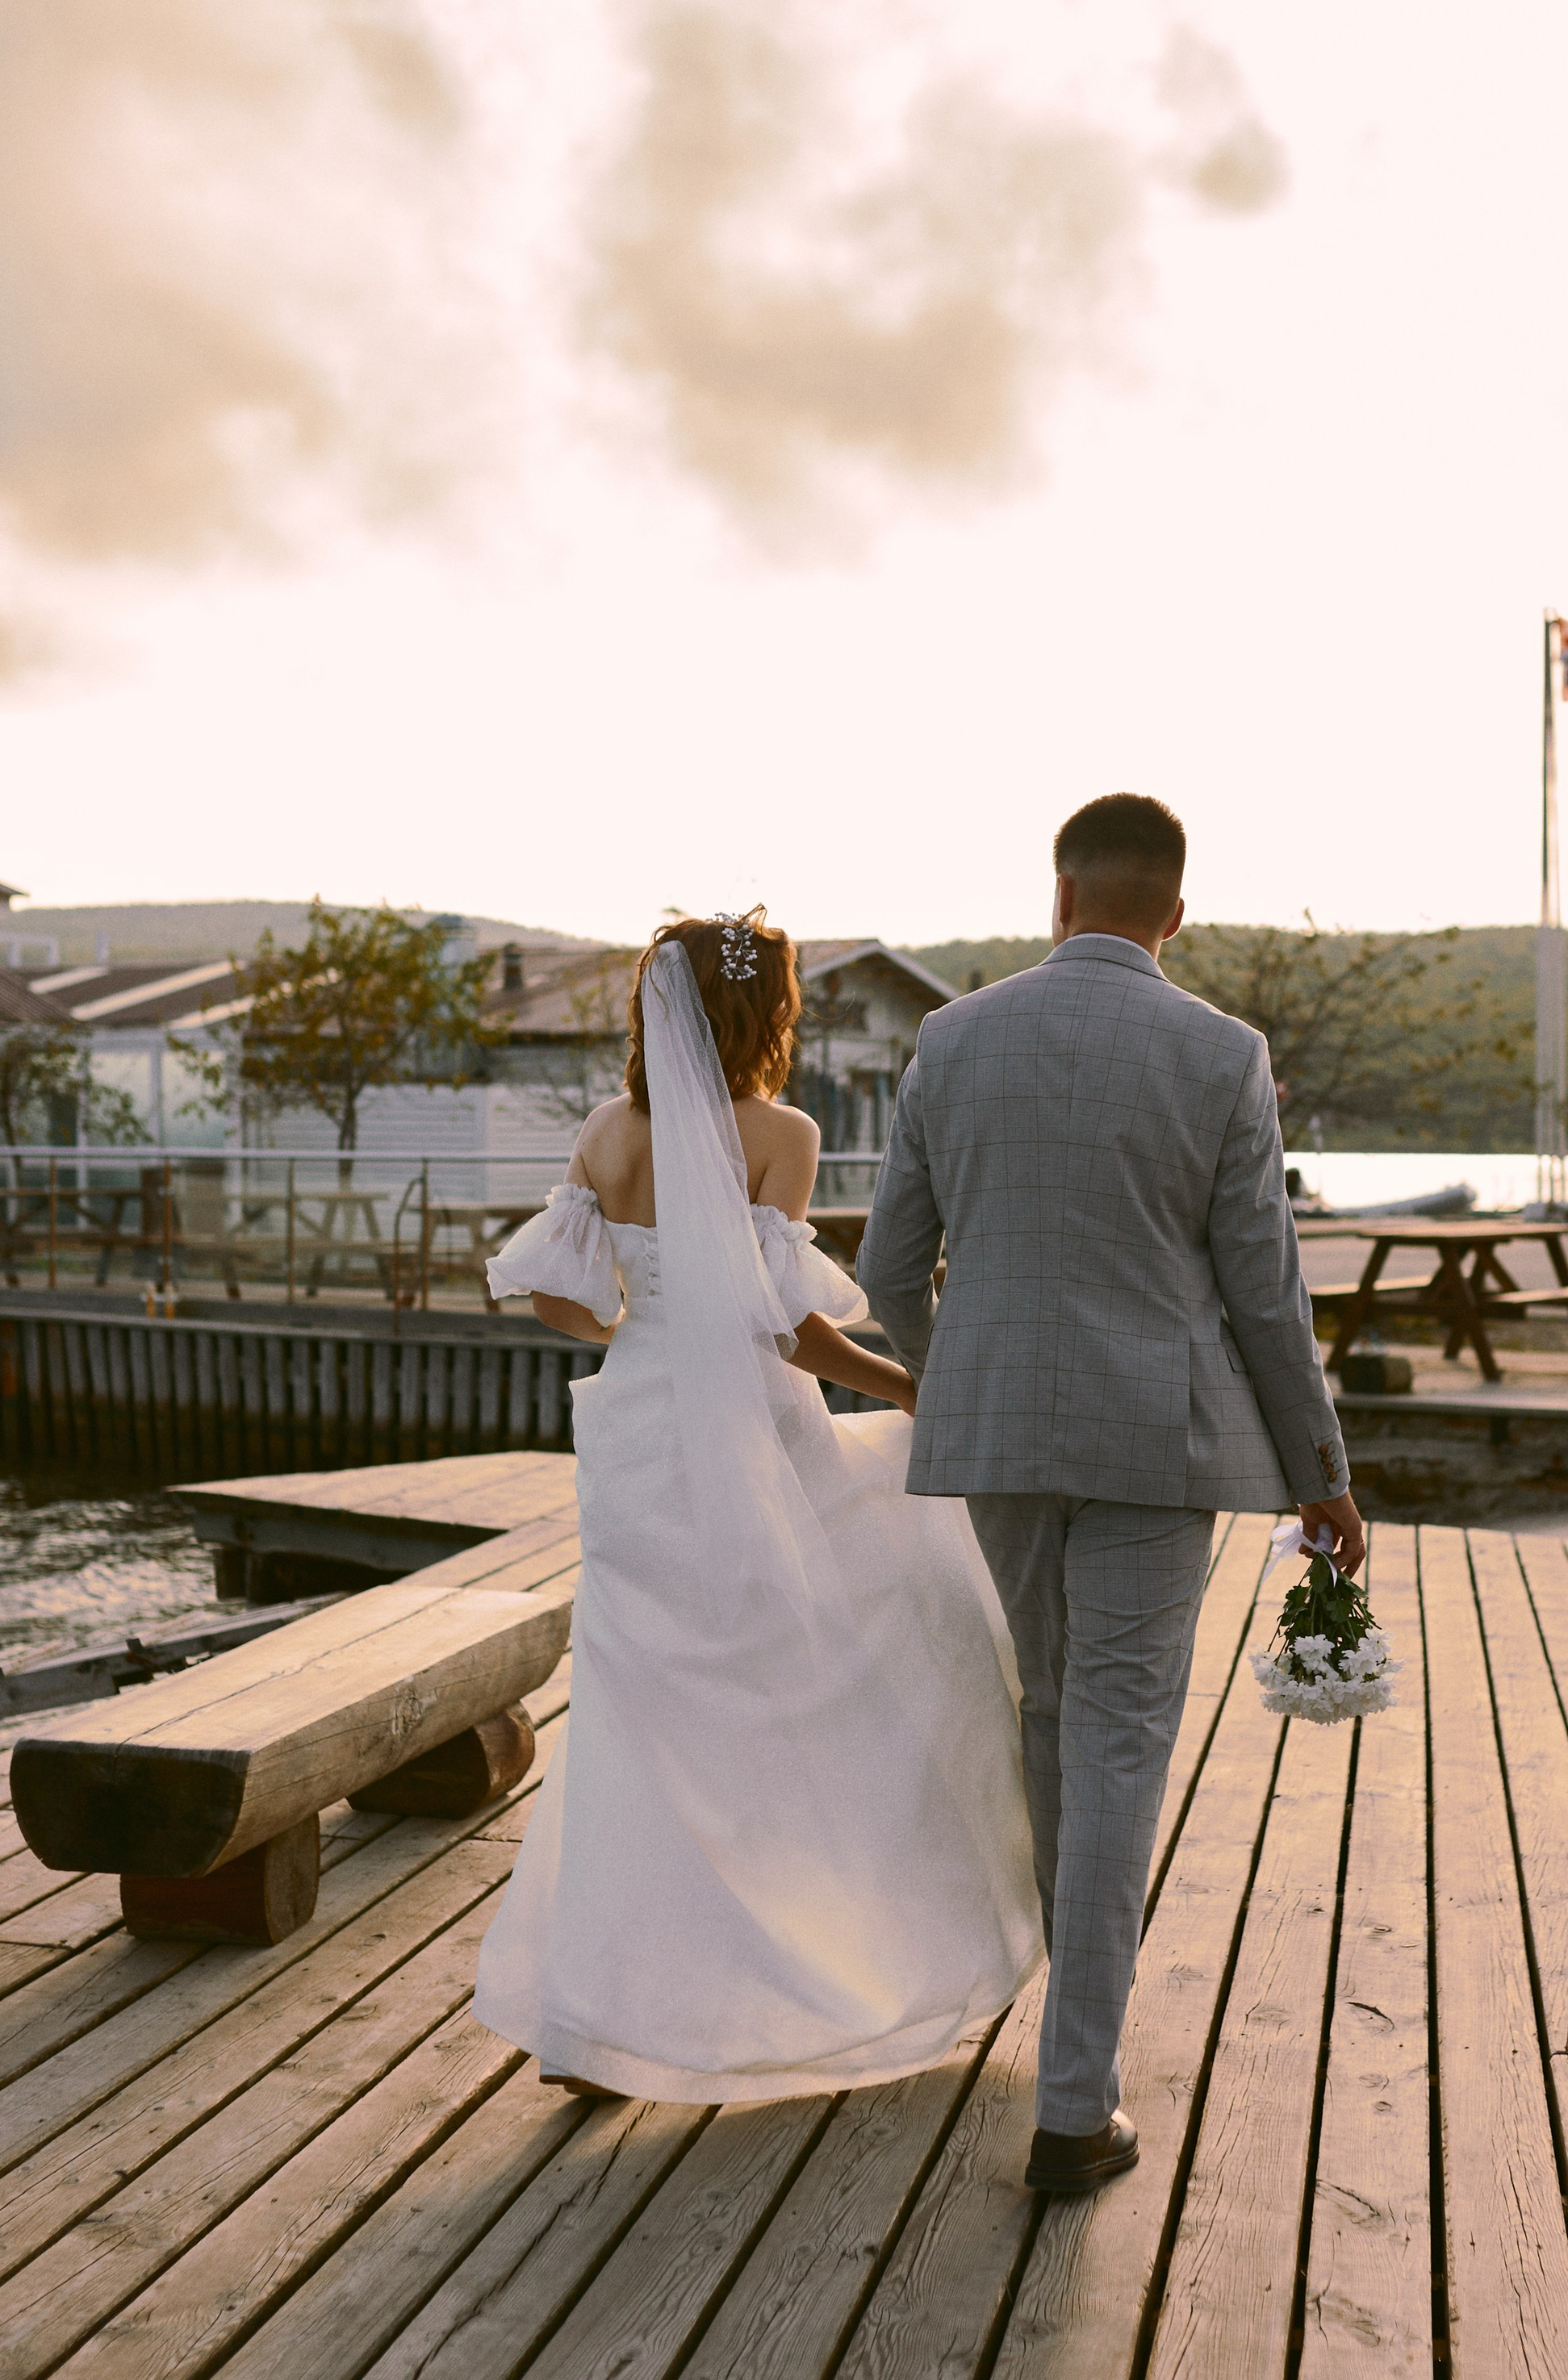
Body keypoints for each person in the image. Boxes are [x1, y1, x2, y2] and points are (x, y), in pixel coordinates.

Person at [858, 793, 1363, 2196]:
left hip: (1001, 1435)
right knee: (1124, 1735)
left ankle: (1068, 2041)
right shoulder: (1221, 1052)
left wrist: (959, 1378)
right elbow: (1263, 1287)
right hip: (1162, 1441)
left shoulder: (951, 1040)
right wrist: (1321, 1471)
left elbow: (891, 1267)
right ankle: (1075, 2101)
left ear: (1061, 896)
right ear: (1176, 914)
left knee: (1052, 1709)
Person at [470, 913, 1042, 2103]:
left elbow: (561, 1308)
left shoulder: (605, 1133)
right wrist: (911, 1386)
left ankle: (602, 2030)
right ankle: (830, 1963)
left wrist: (643, 1330)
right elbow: (787, 1325)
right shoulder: (783, 1132)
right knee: (847, 1667)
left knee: (642, 1715)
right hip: (754, 1433)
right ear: (766, 1010)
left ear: (655, 1007)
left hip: (638, 1434)